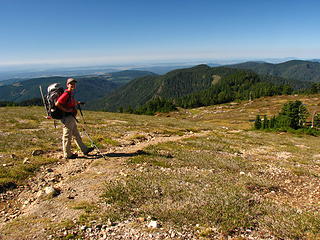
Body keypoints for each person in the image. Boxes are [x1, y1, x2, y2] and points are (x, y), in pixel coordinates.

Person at [55, 78, 94, 159]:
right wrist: (66, 110)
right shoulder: (66, 94)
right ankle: (67, 154)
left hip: (71, 117)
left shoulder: (70, 93)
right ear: (67, 85)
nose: (73, 85)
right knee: (67, 135)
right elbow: (57, 103)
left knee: (76, 134)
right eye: (71, 84)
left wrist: (78, 103)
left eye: (74, 84)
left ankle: (84, 149)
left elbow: (70, 102)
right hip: (67, 117)